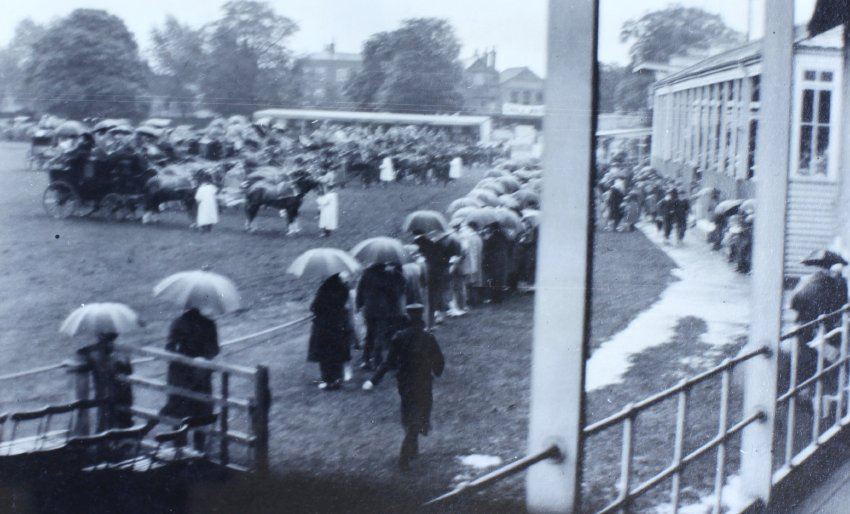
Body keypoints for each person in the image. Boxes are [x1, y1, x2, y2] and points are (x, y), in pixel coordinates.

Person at [362, 304, 445, 470]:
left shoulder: (399, 337)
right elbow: (439, 361)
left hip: (405, 383)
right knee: (420, 414)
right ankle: (405, 453)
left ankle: (413, 448)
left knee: (409, 413)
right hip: (423, 382)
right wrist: (437, 371)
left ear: (407, 317)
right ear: (421, 318)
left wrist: (373, 380)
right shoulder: (428, 338)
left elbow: (388, 362)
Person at [160, 307, 220, 450]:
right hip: (201, 375)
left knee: (180, 412)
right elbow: (215, 350)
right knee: (201, 412)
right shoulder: (209, 323)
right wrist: (202, 358)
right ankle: (199, 450)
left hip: (181, 376)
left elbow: (169, 348)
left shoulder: (178, 323)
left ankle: (179, 449)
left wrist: (184, 356)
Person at [77, 332, 134, 432]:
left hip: (109, 394)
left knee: (109, 420)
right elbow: (129, 370)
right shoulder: (120, 351)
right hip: (118, 394)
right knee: (118, 421)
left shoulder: (94, 352)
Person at [308, 273, 354, 390]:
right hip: (338, 323)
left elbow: (314, 307)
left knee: (325, 354)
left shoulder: (323, 289)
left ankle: (328, 380)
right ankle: (338, 378)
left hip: (324, 326)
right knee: (337, 351)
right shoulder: (344, 288)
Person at [355, 262, 406, 369]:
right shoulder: (387, 274)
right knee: (380, 334)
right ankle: (377, 361)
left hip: (369, 309)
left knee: (369, 334)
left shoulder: (366, 273)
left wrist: (359, 304)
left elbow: (360, 290)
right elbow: (394, 292)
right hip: (383, 309)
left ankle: (366, 359)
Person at [480, 222, 511, 303]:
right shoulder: (503, 236)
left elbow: (486, 248)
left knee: (494, 279)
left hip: (494, 260)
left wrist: (485, 238)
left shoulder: (492, 237)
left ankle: (494, 298)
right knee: (501, 279)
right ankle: (500, 297)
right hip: (502, 259)